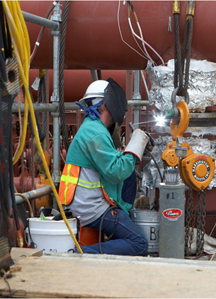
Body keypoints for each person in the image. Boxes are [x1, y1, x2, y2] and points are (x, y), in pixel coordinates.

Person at [59, 78, 150, 255]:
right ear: (106, 104)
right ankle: (81, 254)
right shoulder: (94, 133)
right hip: (90, 209)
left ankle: (121, 221)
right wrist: (136, 146)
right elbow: (117, 171)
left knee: (130, 175)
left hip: (88, 204)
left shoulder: (94, 129)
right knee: (139, 243)